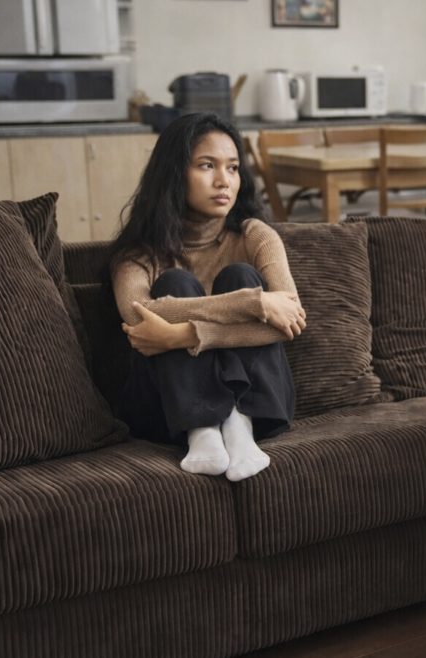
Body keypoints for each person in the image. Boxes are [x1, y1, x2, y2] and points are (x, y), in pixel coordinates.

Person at [107, 112, 306, 482]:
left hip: (260, 408)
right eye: (206, 165)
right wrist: (252, 304)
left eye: (232, 168)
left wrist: (183, 335)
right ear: (174, 173)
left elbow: (289, 321)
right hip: (164, 414)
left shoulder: (254, 235)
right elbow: (140, 318)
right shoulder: (138, 253)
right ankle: (202, 432)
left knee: (240, 276)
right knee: (176, 283)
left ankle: (237, 426)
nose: (223, 181)